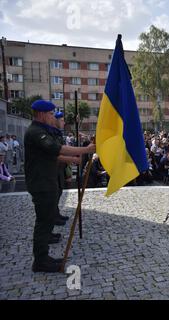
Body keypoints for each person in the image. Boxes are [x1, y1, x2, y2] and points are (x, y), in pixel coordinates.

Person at [25, 100, 95, 273]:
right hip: (41, 183)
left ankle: (43, 257)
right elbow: (58, 148)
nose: (52, 117)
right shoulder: (36, 132)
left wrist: (72, 159)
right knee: (43, 222)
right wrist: (86, 150)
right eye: (50, 114)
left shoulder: (42, 130)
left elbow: (52, 155)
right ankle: (40, 261)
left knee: (47, 219)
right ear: (41, 114)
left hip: (45, 181)